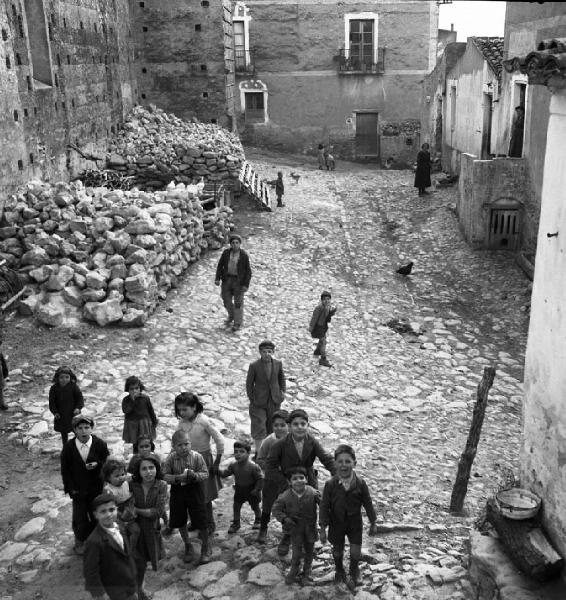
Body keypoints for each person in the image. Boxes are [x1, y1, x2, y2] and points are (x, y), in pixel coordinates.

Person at [266, 408, 335, 556]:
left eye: (303, 423)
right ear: (289, 426)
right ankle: (287, 536)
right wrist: (284, 484)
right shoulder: (280, 444)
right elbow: (270, 466)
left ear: (307, 426)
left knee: (309, 509)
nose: (300, 427)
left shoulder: (312, 441)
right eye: (296, 424)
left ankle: (308, 538)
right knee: (290, 510)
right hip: (288, 482)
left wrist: (339, 474)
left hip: (308, 481)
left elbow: (326, 458)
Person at [319, 444, 379, 590]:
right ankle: (339, 569)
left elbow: (368, 503)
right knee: (337, 549)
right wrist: (322, 527)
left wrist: (373, 522)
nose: (344, 465)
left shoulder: (360, 483)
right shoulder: (330, 484)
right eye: (340, 461)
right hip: (336, 523)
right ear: (335, 463)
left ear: (354, 463)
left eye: (348, 461)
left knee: (355, 550)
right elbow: (324, 506)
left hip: (355, 523)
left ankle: (354, 569)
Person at [175, 391, 224, 534]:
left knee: (204, 496)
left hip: (203, 461)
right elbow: (177, 440)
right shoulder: (181, 424)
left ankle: (209, 522)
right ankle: (195, 521)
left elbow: (219, 440)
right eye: (179, 410)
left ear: (194, 407)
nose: (182, 413)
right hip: (187, 461)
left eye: (185, 409)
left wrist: (217, 461)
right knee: (189, 493)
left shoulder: (203, 421)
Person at [61, 415, 110, 555]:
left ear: (91, 428)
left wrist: (98, 465)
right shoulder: (69, 448)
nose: (83, 431)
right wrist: (70, 489)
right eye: (80, 428)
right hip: (78, 489)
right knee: (80, 517)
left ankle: (100, 540)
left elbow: (107, 464)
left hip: (96, 488)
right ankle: (80, 540)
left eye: (87, 427)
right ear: (75, 430)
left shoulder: (100, 444)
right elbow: (65, 470)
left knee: (97, 514)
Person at [162, 430, 211, 564]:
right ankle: (188, 545)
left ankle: (206, 547)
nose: (184, 448)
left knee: (201, 519)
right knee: (180, 519)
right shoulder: (171, 458)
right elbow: (164, 475)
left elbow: (205, 473)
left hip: (195, 491)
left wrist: (195, 476)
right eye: (180, 445)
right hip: (178, 492)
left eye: (186, 444)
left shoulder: (197, 457)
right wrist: (177, 478)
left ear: (190, 443)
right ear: (173, 446)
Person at [83, 493, 139, 600]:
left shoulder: (120, 525)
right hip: (113, 589)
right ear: (95, 514)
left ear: (117, 509)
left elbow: (126, 552)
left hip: (129, 580)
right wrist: (100, 594)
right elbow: (90, 571)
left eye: (111, 509)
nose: (108, 514)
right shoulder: (94, 541)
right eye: (103, 511)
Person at [272, 466, 320, 586]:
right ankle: (294, 569)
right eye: (294, 479)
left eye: (301, 478)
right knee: (297, 552)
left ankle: (307, 572)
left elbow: (324, 504)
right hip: (295, 530)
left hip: (310, 529)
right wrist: (284, 519)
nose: (298, 481)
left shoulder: (313, 493)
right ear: (289, 482)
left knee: (309, 551)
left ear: (307, 479)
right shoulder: (285, 496)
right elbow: (276, 510)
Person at [130, 453, 168, 600]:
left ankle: (138, 588)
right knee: (136, 561)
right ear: (138, 472)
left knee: (144, 561)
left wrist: (137, 510)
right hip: (134, 530)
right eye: (144, 469)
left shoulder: (161, 485)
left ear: (156, 468)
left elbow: (157, 511)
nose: (148, 472)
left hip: (151, 530)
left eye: (151, 467)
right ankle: (138, 589)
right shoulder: (132, 485)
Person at [246, 340, 286, 455]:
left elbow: (281, 379)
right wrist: (252, 398)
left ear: (273, 352)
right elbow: (249, 384)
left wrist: (282, 393)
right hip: (259, 401)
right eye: (264, 352)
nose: (267, 354)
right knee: (259, 425)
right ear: (260, 352)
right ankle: (259, 453)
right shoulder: (254, 366)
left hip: (274, 400)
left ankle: (270, 451)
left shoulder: (278, 363)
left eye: (269, 351)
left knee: (272, 425)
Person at [255, 409, 289, 543]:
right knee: (268, 505)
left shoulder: (294, 439)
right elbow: (260, 459)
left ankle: (287, 533)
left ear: (289, 425)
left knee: (288, 506)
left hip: (288, 481)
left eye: (283, 425)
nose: (279, 428)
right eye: (276, 425)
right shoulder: (269, 441)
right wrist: (273, 468)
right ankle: (263, 529)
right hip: (271, 481)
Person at [218, 439, 264, 534]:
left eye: (242, 452)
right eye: (236, 452)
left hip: (251, 489)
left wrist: (257, 489)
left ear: (248, 453)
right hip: (239, 490)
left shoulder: (253, 467)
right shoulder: (234, 465)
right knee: (236, 506)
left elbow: (260, 479)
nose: (238, 454)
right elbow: (225, 474)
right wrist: (217, 471)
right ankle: (236, 523)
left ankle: (258, 519)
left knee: (255, 506)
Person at [214, 234, 252, 332]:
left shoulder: (243, 255)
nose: (235, 245)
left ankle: (237, 323)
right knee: (226, 300)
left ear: (240, 244)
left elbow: (248, 271)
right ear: (230, 244)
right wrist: (217, 278)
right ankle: (231, 315)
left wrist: (245, 285)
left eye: (237, 243)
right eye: (233, 243)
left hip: (238, 282)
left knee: (238, 303)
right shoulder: (226, 253)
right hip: (227, 280)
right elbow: (220, 266)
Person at [102, 458, 140, 552]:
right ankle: (121, 549)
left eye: (123, 474)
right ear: (108, 478)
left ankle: (131, 549)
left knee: (136, 531)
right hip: (117, 515)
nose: (121, 477)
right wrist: (120, 517)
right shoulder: (108, 490)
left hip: (129, 512)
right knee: (120, 534)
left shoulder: (126, 483)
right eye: (117, 475)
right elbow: (109, 508)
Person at [48, 366, 84, 446]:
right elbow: (52, 403)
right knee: (63, 432)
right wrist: (55, 412)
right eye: (61, 377)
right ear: (57, 378)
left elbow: (80, 398)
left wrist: (78, 408)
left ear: (71, 377)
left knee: (77, 430)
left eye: (67, 377)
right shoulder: (54, 389)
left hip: (73, 414)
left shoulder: (73, 387)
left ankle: (80, 445)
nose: (64, 379)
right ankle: (65, 448)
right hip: (61, 415)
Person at [122, 376, 158, 452]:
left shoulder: (145, 398)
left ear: (140, 388)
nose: (134, 391)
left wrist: (154, 422)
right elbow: (126, 410)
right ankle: (137, 454)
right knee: (135, 442)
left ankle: (150, 452)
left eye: (136, 388)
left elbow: (150, 410)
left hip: (144, 424)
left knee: (147, 440)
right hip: (133, 425)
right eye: (131, 389)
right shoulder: (126, 400)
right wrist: (132, 401)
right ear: (128, 390)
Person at [309, 291, 337, 368]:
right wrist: (311, 328)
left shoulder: (328, 307)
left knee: (322, 341)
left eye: (328, 299)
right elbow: (314, 318)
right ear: (322, 300)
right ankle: (323, 359)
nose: (327, 301)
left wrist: (332, 312)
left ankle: (317, 352)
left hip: (323, 327)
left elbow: (327, 316)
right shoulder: (319, 308)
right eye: (325, 299)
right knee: (323, 342)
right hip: (319, 328)